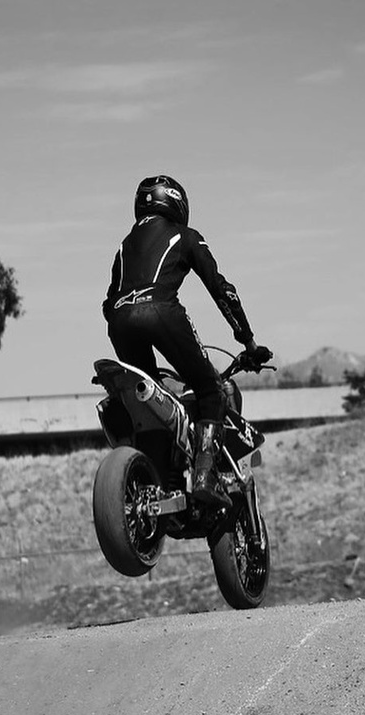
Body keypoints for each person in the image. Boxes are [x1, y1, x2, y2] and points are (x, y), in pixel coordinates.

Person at [101, 175, 271, 508]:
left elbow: (109, 304)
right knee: (210, 390)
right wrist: (249, 342)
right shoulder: (185, 235)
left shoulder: (124, 247)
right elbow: (222, 291)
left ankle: (157, 483)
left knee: (148, 403)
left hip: (119, 322)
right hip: (162, 313)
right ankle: (205, 475)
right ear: (176, 202)